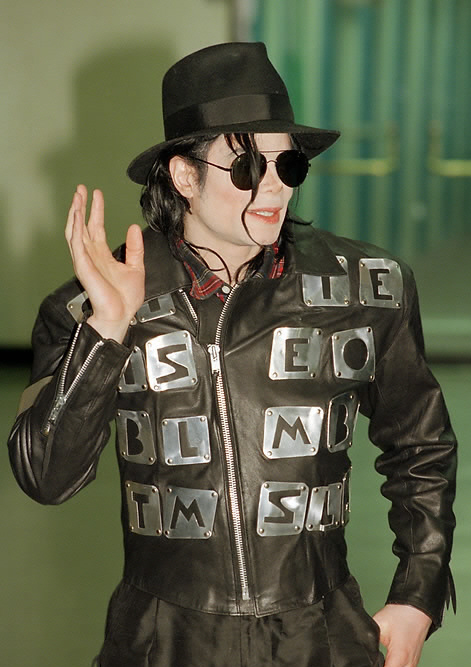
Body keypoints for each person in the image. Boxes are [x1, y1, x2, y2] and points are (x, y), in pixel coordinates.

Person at [8, 42, 456, 667]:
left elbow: (420, 445)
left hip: (319, 634)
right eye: (246, 166)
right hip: (163, 639)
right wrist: (108, 329)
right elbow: (45, 477)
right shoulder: (90, 305)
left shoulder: (364, 289)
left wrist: (417, 593)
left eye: (288, 165)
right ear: (184, 176)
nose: (274, 187)